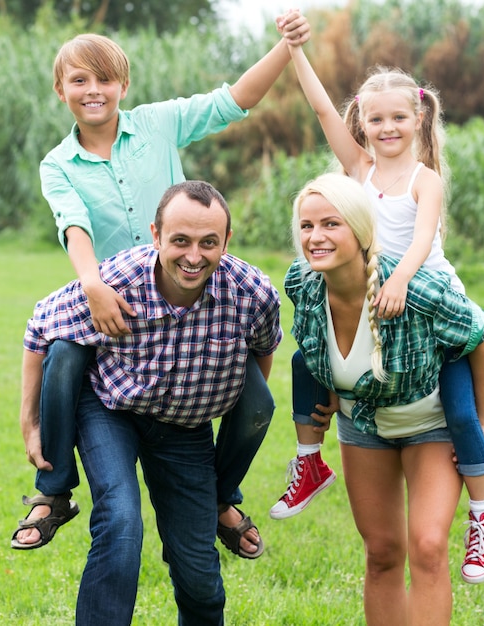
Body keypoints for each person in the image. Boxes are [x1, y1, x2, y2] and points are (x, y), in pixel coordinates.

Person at [11, 11, 310, 553]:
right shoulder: (57, 164)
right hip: (114, 304)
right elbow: (73, 225)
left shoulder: (158, 123)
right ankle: (53, 491)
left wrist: (286, 48)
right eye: (79, 80)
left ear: (123, 85)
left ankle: (223, 495)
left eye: (105, 79)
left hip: (188, 291)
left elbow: (235, 99)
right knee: (64, 354)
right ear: (61, 90)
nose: (94, 90)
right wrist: (93, 285)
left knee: (256, 395)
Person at [270, 15, 484, 584]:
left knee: (461, 411)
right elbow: (323, 110)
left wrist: (399, 281)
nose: (388, 126)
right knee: (308, 359)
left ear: (418, 117)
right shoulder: (359, 169)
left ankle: (482, 515)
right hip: (371, 299)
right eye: (376, 119)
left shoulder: (425, 179)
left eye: (399, 117)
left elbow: (421, 237)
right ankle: (309, 460)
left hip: (426, 306)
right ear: (363, 124)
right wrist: (294, 50)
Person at [16, 180, 283, 625]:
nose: (194, 256)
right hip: (110, 410)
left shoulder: (251, 293)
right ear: (156, 235)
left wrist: (225, 400)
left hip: (184, 426)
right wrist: (30, 422)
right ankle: (54, 494)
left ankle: (219, 500)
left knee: (198, 574)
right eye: (180, 240)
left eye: (208, 243)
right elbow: (39, 329)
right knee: (121, 524)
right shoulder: (119, 279)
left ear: (227, 241)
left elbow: (262, 352)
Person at [283, 172, 484, 624]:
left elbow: (480, 336)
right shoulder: (303, 285)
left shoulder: (414, 290)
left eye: (330, 224)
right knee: (381, 553)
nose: (315, 237)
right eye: (306, 226)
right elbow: (316, 355)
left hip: (431, 425)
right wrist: (341, 394)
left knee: (428, 546)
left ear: (360, 231)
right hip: (365, 430)